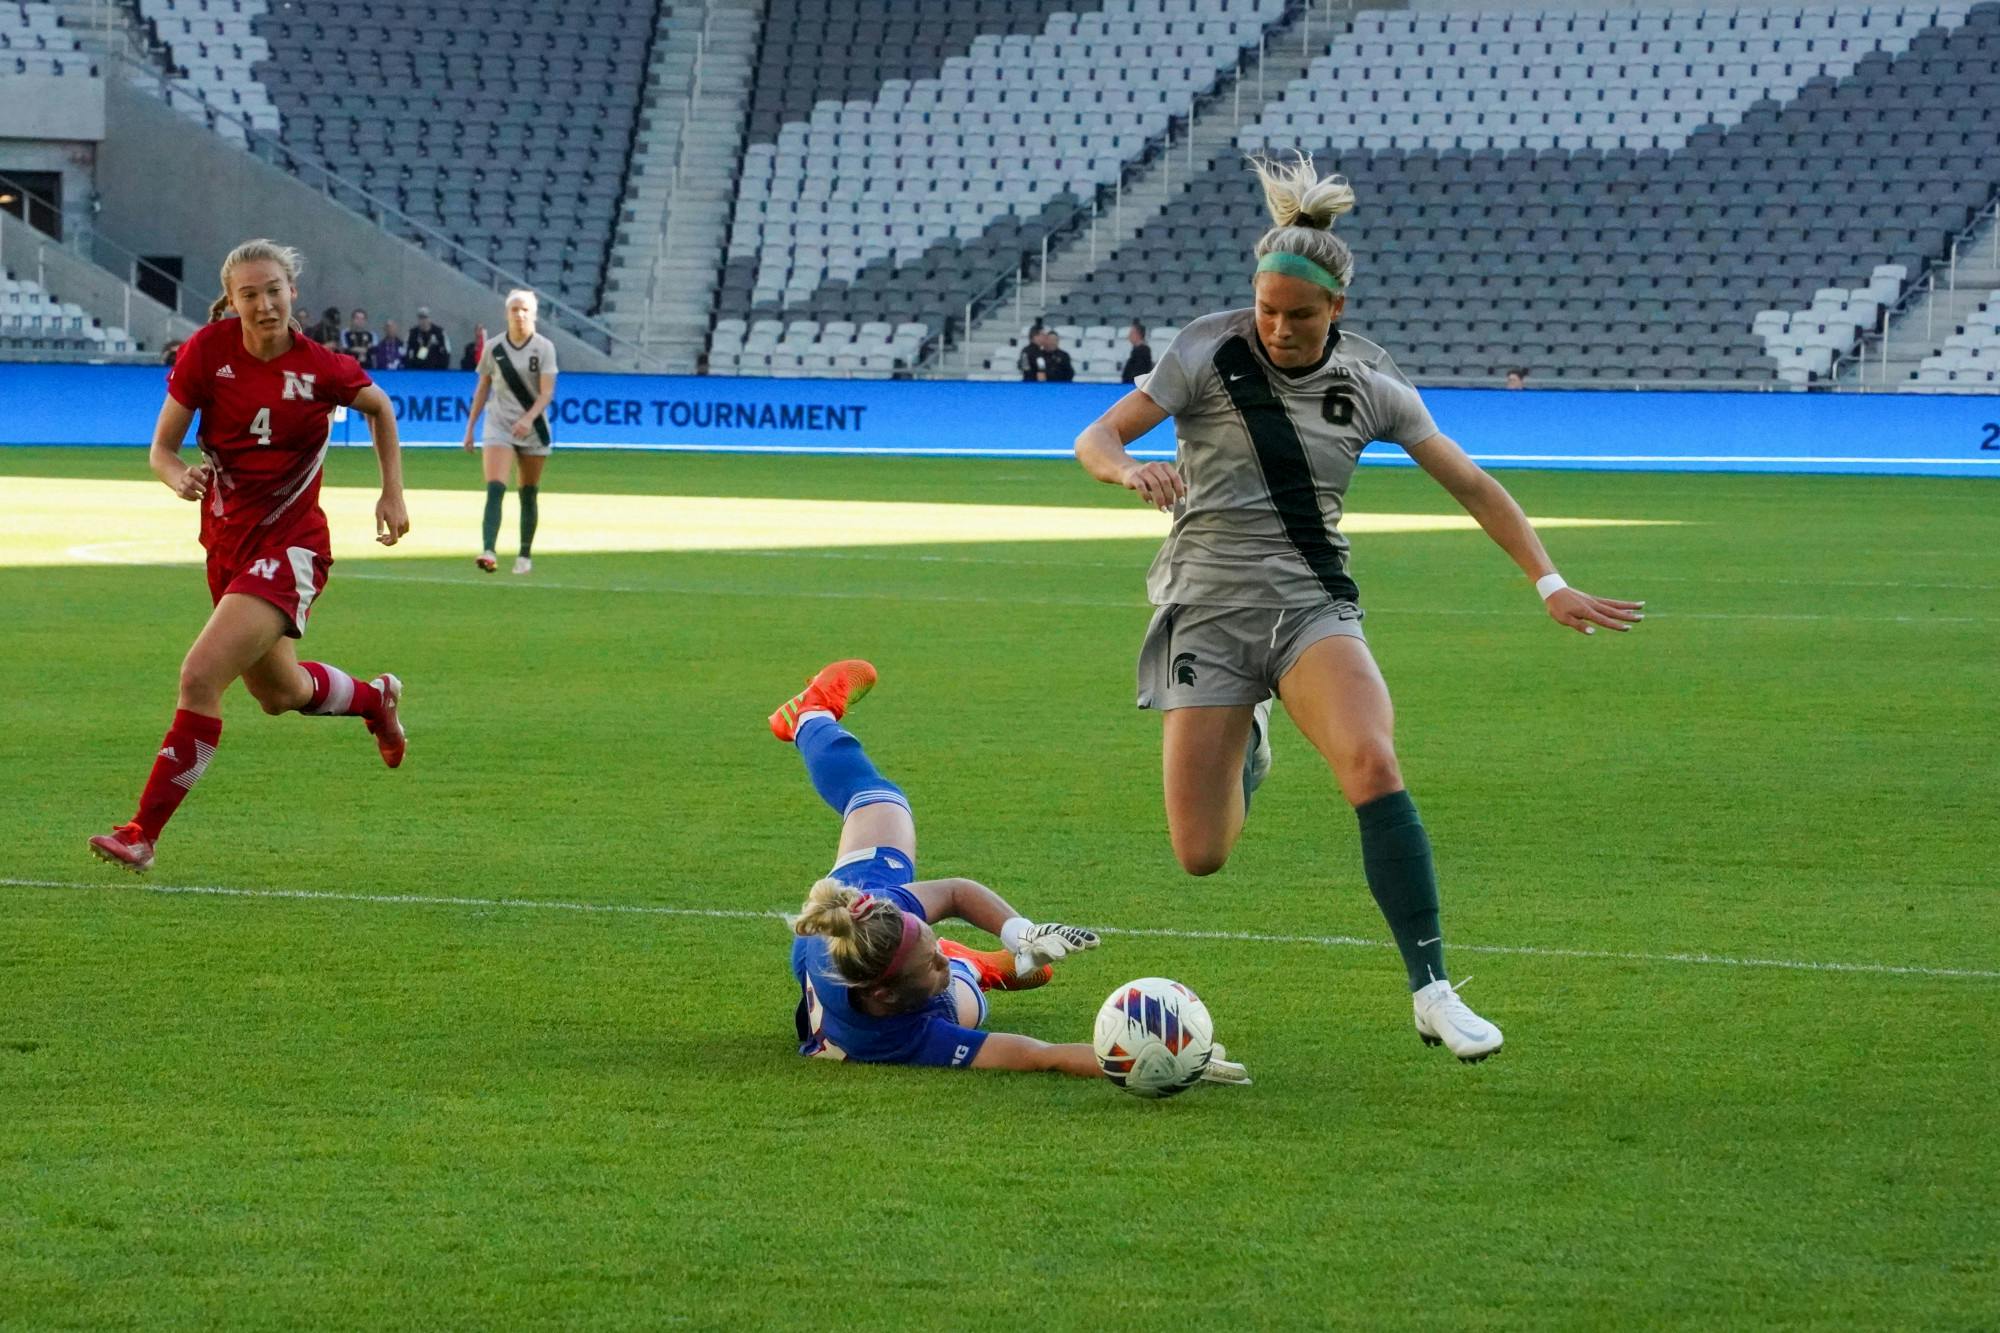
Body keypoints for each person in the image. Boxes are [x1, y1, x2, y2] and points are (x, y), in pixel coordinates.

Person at [1072, 153, 1646, 1063]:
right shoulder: (1204, 352)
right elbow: (1095, 435)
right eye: (1267, 309)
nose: (1278, 327)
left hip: (1311, 607)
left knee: (1372, 761)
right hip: (1206, 609)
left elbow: (1473, 484)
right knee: (1201, 852)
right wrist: (1127, 467)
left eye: (1299, 315)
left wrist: (1551, 580)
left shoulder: (1373, 384)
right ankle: (1250, 740)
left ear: (1337, 309)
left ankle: (1433, 989)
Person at [87, 239, 412, 873]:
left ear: (293, 292)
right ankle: (376, 701)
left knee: (199, 676)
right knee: (279, 693)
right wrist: (177, 474)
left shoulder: (323, 368)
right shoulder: (207, 353)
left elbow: (379, 407)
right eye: (249, 294)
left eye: (273, 290)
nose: (264, 305)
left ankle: (141, 833)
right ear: (231, 302)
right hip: (227, 545)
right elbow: (161, 449)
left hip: (291, 548)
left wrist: (391, 491)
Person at [775, 658, 1250, 1083]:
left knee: (878, 799)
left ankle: (810, 716)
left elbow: (957, 893)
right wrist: (1163, 1059)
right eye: (933, 958)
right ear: (885, 995)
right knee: (961, 1004)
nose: (934, 953)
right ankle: (972, 966)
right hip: (879, 1024)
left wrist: (1020, 932)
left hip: (858, 935)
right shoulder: (905, 1038)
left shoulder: (862, 912)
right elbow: (1039, 1054)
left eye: (932, 943)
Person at [462, 290, 556, 575]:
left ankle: (524, 555)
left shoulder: (544, 348)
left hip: (533, 427)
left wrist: (528, 419)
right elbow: (482, 388)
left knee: (528, 492)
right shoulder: (494, 348)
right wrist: (470, 428)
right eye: (515, 309)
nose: (520, 314)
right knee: (495, 487)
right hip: (499, 424)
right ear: (507, 313)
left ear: (534, 314)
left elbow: (547, 393)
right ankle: (489, 550)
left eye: (525, 309)